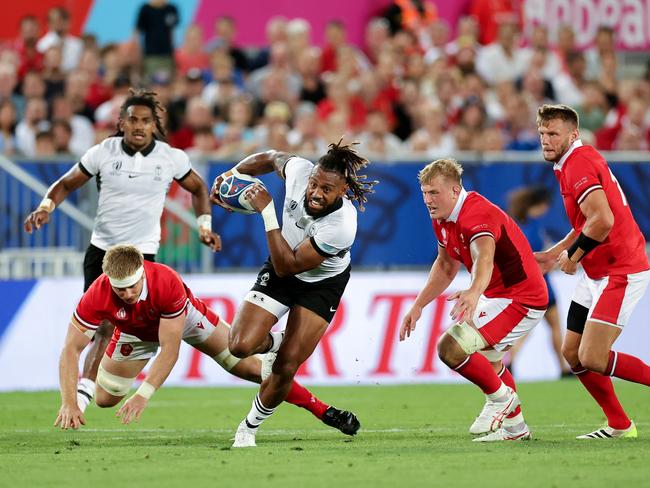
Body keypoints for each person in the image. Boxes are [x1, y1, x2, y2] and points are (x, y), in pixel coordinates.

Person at [24, 89, 221, 414]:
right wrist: (46, 207)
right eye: (133, 119)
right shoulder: (104, 151)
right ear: (122, 122)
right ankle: (86, 390)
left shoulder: (170, 158)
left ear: (154, 125)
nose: (139, 126)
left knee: (117, 328)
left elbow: (198, 188)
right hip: (102, 250)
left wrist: (203, 226)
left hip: (143, 255)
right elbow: (66, 183)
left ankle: (95, 387)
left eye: (146, 120)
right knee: (99, 324)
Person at [54, 244, 359, 434]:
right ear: (109, 281)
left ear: (142, 272)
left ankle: (323, 410)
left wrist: (143, 394)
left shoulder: (165, 282)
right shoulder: (97, 293)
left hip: (185, 320)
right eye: (120, 290)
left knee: (251, 368)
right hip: (134, 332)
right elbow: (70, 349)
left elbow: (170, 350)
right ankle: (274, 347)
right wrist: (69, 402)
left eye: (133, 286)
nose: (128, 294)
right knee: (107, 400)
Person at [210, 141, 376, 447]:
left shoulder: (342, 225)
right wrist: (232, 175)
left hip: (319, 283)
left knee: (285, 366)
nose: (315, 193)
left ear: (342, 191)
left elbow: (290, 266)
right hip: (280, 266)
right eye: (314, 183)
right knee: (239, 345)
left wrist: (267, 209)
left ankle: (248, 428)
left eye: (327, 189)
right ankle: (279, 340)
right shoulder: (299, 170)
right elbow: (271, 156)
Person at [399, 158, 548, 442]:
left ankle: (501, 399)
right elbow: (445, 266)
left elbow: (484, 259)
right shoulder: (442, 220)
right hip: (500, 296)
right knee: (489, 361)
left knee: (451, 347)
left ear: (455, 191)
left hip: (521, 298)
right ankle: (516, 430)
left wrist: (474, 291)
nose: (428, 200)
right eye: (424, 193)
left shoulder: (476, 214)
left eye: (434, 193)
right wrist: (418, 305)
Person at [535, 104, 650, 439]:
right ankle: (619, 424)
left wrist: (573, 255)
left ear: (573, 134)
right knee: (572, 353)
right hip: (598, 272)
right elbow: (586, 220)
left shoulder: (578, 163)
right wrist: (555, 253)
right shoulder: (567, 162)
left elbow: (603, 221)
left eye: (553, 133)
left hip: (620, 269)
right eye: (542, 133)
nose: (546, 140)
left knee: (593, 356)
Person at [507, 185, 571, 377]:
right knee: (555, 326)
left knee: (526, 328)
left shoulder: (518, 224)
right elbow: (539, 257)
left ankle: (511, 360)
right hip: (541, 284)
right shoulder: (534, 227)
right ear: (541, 205)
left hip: (523, 286)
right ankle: (562, 368)